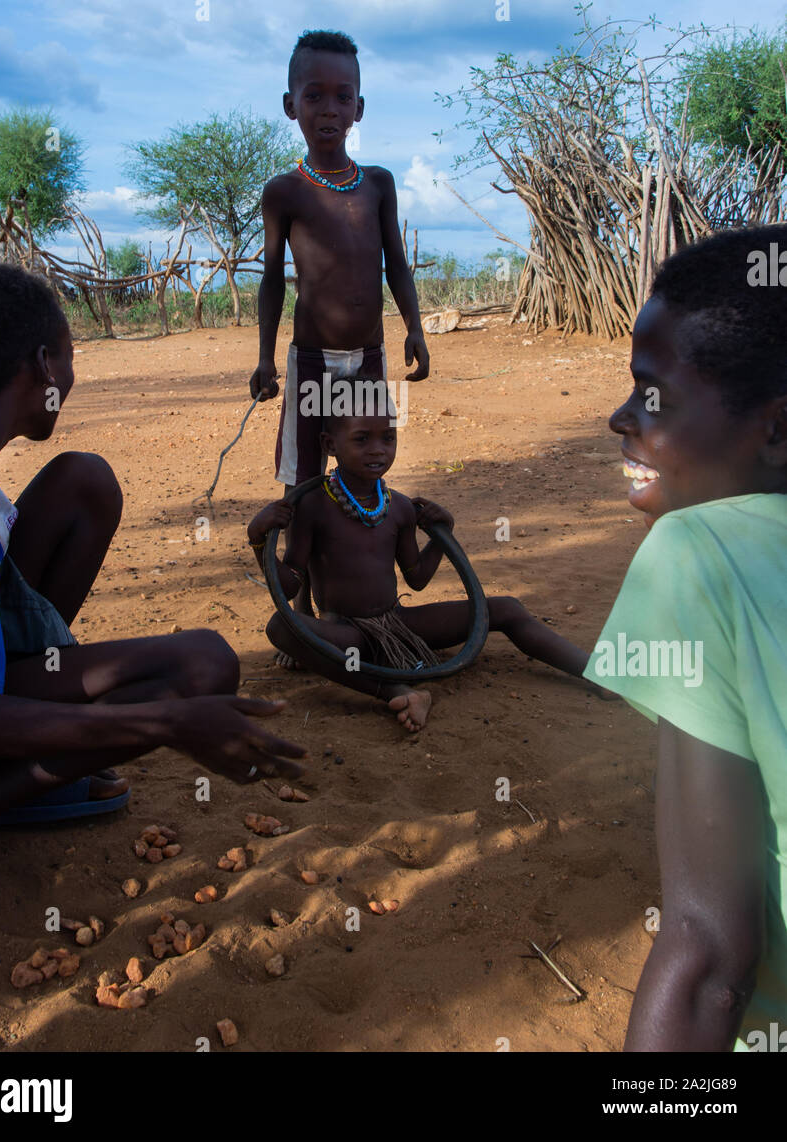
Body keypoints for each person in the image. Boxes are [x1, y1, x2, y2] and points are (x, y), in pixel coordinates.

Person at [0, 263, 304, 910]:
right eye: (70, 356)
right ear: (44, 365)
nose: (71, 376)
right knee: (194, 675)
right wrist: (165, 720)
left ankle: (17, 758)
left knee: (87, 485)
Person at [583, 224, 787, 1051]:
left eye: (651, 393)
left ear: (775, 431)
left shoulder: (700, 554)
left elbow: (708, 953)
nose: (620, 418)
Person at [247, 379, 590, 732]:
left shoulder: (399, 509)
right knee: (281, 627)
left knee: (507, 609)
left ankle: (596, 672)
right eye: (362, 439)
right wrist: (259, 541)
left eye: (388, 438)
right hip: (346, 636)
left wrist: (442, 536)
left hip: (400, 625)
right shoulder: (313, 506)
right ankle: (397, 691)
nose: (378, 450)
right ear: (329, 444)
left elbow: (418, 578)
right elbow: (287, 586)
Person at [249, 29, 429, 497]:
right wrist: (266, 358)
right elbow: (272, 279)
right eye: (314, 96)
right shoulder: (284, 191)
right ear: (291, 105)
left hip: (369, 356)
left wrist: (415, 329)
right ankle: (295, 565)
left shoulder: (378, 185)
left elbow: (397, 266)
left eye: (342, 97)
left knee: (366, 471)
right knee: (303, 480)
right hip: (311, 360)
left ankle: (356, 563)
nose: (329, 108)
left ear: (359, 108)